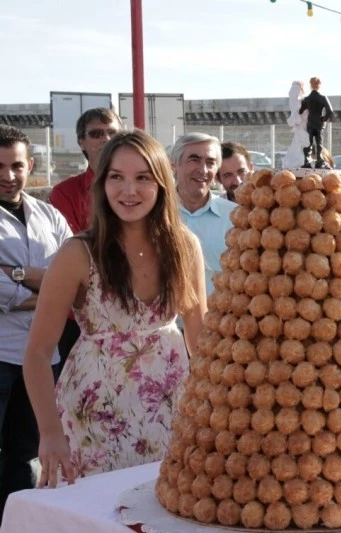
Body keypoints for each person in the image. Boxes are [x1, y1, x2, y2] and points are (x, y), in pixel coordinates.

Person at [23, 130, 207, 487]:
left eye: (143, 178)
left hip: (172, 410)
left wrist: (213, 409)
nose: (129, 190)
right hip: (91, 420)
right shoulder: (77, 254)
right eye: (117, 177)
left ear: (162, 182)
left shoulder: (185, 246)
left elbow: (199, 337)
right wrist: (49, 432)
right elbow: (37, 353)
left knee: (167, 508)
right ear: (102, 183)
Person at [0, 125, 72, 522]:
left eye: (16, 166)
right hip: (2, 353)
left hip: (45, 358)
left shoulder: (50, 216)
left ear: (30, 165)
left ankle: (20, 528)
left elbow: (73, 278)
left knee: (28, 454)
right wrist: (48, 288)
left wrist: (14, 275)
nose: (8, 176)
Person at [48, 108, 123, 370]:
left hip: (133, 312)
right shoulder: (65, 193)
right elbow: (76, 253)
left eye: (112, 132)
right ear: (81, 141)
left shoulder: (138, 188)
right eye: (96, 133)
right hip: (81, 316)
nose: (106, 139)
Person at [171, 133, 236, 296]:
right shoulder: (155, 214)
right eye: (194, 160)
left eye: (210, 162)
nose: (203, 170)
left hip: (219, 311)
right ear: (174, 165)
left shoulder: (235, 218)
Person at [300, 77, 333, 169]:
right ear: (319, 86)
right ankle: (319, 160)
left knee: (309, 143)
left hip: (310, 123)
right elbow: (330, 111)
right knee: (319, 143)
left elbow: (300, 111)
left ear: (310, 85)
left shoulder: (307, 98)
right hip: (319, 123)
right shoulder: (322, 98)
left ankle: (306, 161)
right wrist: (324, 119)